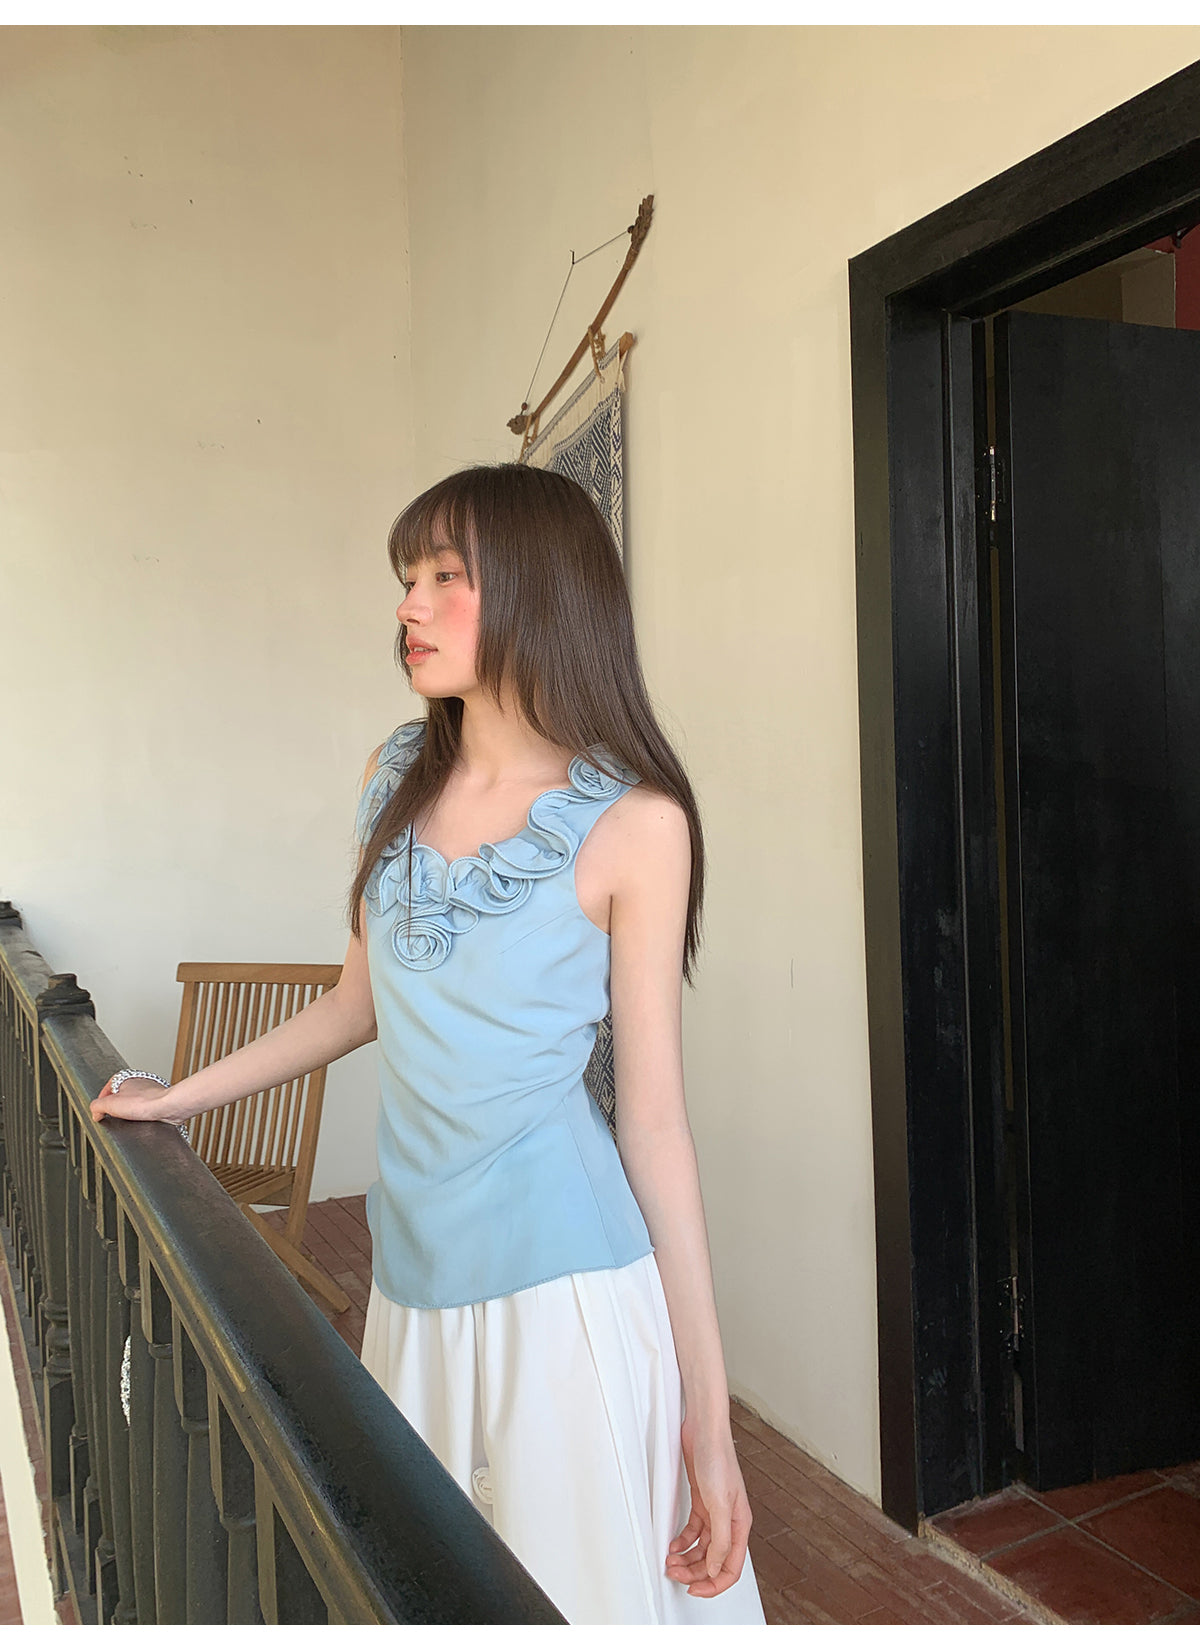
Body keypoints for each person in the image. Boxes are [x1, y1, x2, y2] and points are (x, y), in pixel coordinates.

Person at [92, 463, 766, 1627]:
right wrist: (182, 1098)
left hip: (565, 1294)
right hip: (410, 1280)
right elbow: (356, 1005)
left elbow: (654, 1124)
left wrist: (710, 1418)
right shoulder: (393, 781)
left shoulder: (636, 825)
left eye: (446, 576)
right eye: (409, 578)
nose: (410, 605)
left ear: (540, 590)